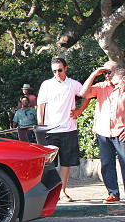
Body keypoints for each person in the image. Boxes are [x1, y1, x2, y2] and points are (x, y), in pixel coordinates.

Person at [37, 57, 84, 202]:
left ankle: (62, 191)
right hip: (50, 130)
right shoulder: (47, 84)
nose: (57, 73)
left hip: (68, 129)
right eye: (54, 71)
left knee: (66, 162)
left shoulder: (73, 84)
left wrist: (79, 111)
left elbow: (87, 95)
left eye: (60, 70)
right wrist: (41, 127)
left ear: (66, 69)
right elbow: (41, 105)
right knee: (48, 164)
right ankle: (49, 193)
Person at [80, 61, 125, 204]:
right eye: (104, 72)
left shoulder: (123, 86)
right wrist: (94, 74)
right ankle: (113, 193)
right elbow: (83, 93)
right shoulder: (101, 87)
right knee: (106, 164)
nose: (106, 75)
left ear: (117, 72)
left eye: (109, 72)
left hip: (120, 132)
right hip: (104, 132)